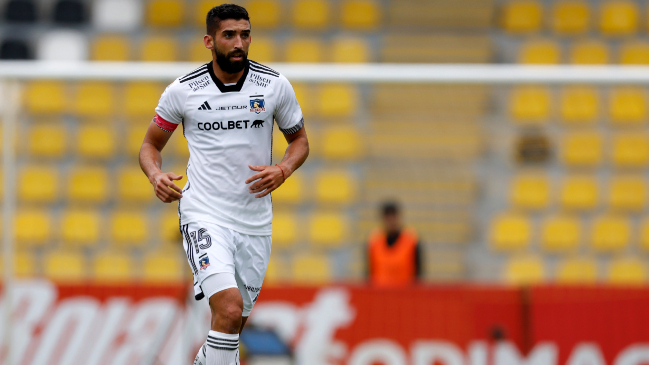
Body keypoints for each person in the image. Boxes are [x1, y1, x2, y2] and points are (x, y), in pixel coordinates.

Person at [138, 4, 309, 365]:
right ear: (209, 40)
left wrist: (283, 169)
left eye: (245, 34)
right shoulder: (183, 91)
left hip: (255, 222)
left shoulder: (274, 86)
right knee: (229, 309)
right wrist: (155, 175)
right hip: (205, 214)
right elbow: (150, 145)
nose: (239, 43)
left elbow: (300, 142)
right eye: (229, 35)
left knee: (231, 326)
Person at [367, 202, 422, 287]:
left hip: (405, 294)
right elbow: (369, 273)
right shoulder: (374, 242)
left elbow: (418, 274)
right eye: (388, 218)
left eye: (393, 217)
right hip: (380, 294)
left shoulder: (411, 241)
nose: (391, 222)